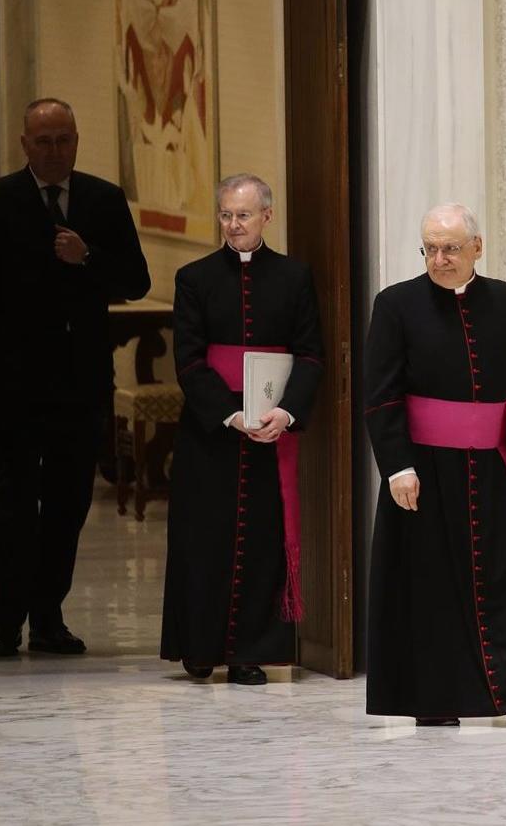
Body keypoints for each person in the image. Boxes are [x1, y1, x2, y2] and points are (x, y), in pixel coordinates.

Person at [0, 98, 151, 658]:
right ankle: (7, 619)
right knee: (16, 505)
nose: (55, 150)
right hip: (12, 383)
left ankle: (49, 617)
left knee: (68, 504)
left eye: (64, 139)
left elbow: (135, 280)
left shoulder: (103, 199)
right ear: (24, 145)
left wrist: (87, 256)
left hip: (81, 381)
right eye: (43, 141)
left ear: (76, 140)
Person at [364, 203, 506, 727]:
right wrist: (396, 467)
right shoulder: (396, 305)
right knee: (432, 585)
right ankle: (439, 701)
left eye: (450, 248)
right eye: (430, 248)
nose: (439, 258)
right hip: (425, 471)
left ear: (478, 247)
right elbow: (381, 395)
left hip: (494, 466)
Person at [160, 174, 323, 686]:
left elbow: (312, 355)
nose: (233, 225)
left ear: (266, 217)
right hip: (212, 431)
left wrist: (286, 414)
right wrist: (230, 416)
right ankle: (199, 649)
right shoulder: (194, 277)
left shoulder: (294, 278)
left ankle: (249, 653)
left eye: (244, 215)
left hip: (271, 431)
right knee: (204, 539)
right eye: (226, 215)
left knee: (261, 541)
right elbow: (187, 361)